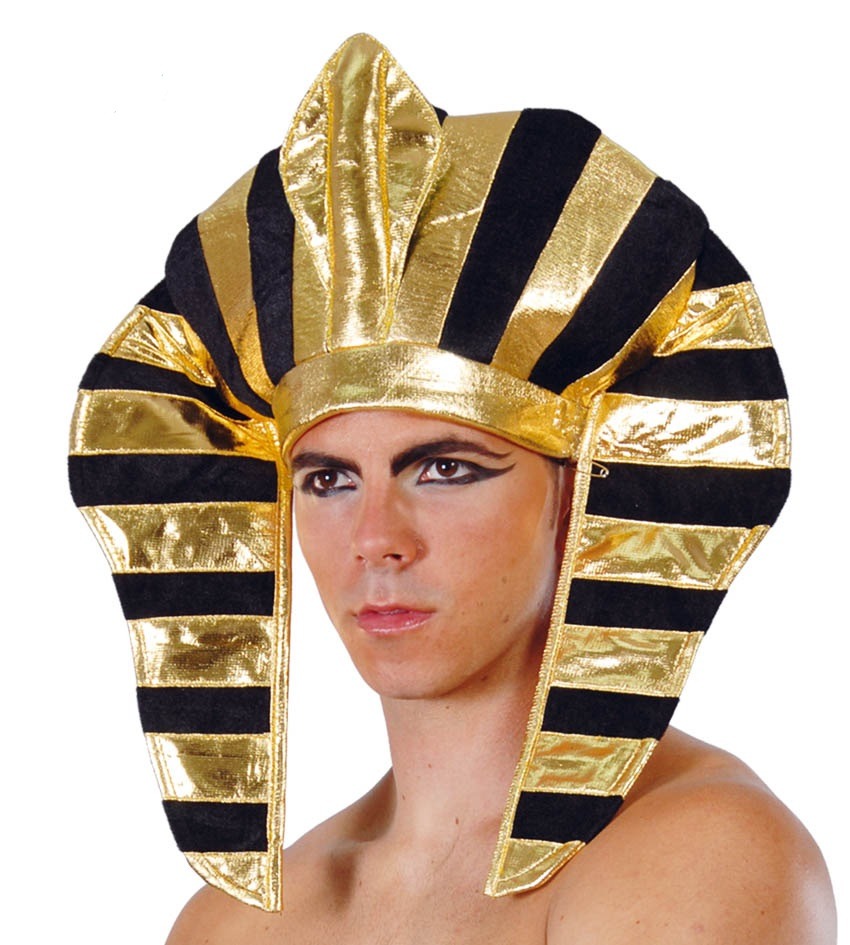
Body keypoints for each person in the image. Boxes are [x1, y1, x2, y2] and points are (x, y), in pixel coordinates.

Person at [70, 34, 836, 944]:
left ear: (578, 490)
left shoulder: (699, 853)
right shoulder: (228, 922)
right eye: (329, 478)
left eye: (444, 468)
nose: (376, 538)